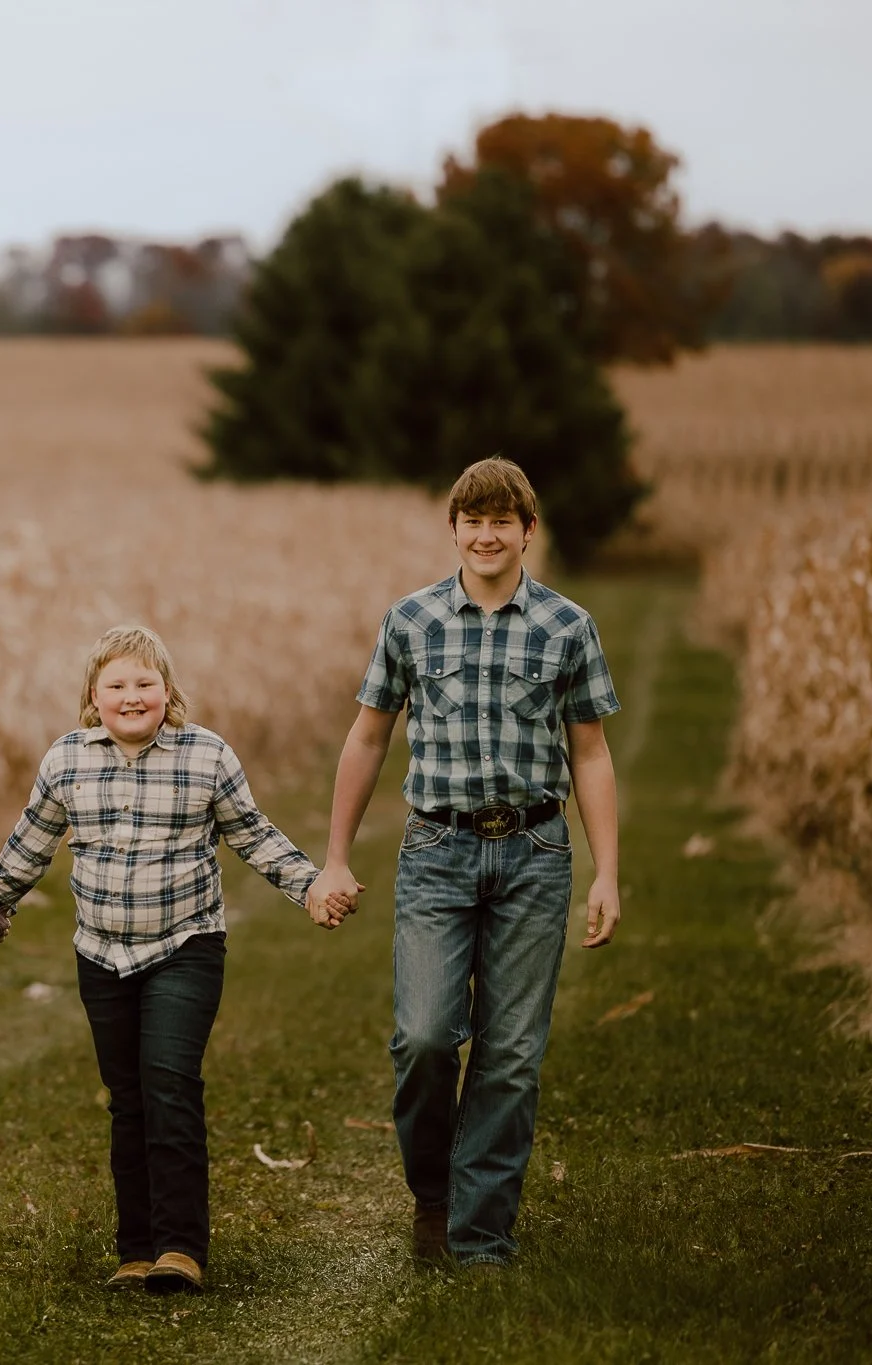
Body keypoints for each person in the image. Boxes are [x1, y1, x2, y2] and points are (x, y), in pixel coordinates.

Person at [305, 456, 622, 1270]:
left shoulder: (566, 626)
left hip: (535, 851)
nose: (487, 534)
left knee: (511, 1055)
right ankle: (437, 1195)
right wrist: (335, 857)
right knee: (424, 1038)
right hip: (437, 851)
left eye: (502, 521)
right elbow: (369, 735)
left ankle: (480, 1236)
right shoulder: (411, 621)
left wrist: (607, 873)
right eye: (472, 520)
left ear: (527, 530)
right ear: (454, 530)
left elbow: (589, 752)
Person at [0, 625, 345, 1295]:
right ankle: (135, 1247)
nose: (131, 696)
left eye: (145, 683)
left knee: (169, 1083)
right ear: (93, 696)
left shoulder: (205, 756)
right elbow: (30, 843)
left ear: (168, 691)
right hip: (102, 953)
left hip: (186, 944)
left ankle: (181, 1246)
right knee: (128, 1100)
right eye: (117, 684)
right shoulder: (66, 761)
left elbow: (253, 834)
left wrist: (310, 884)